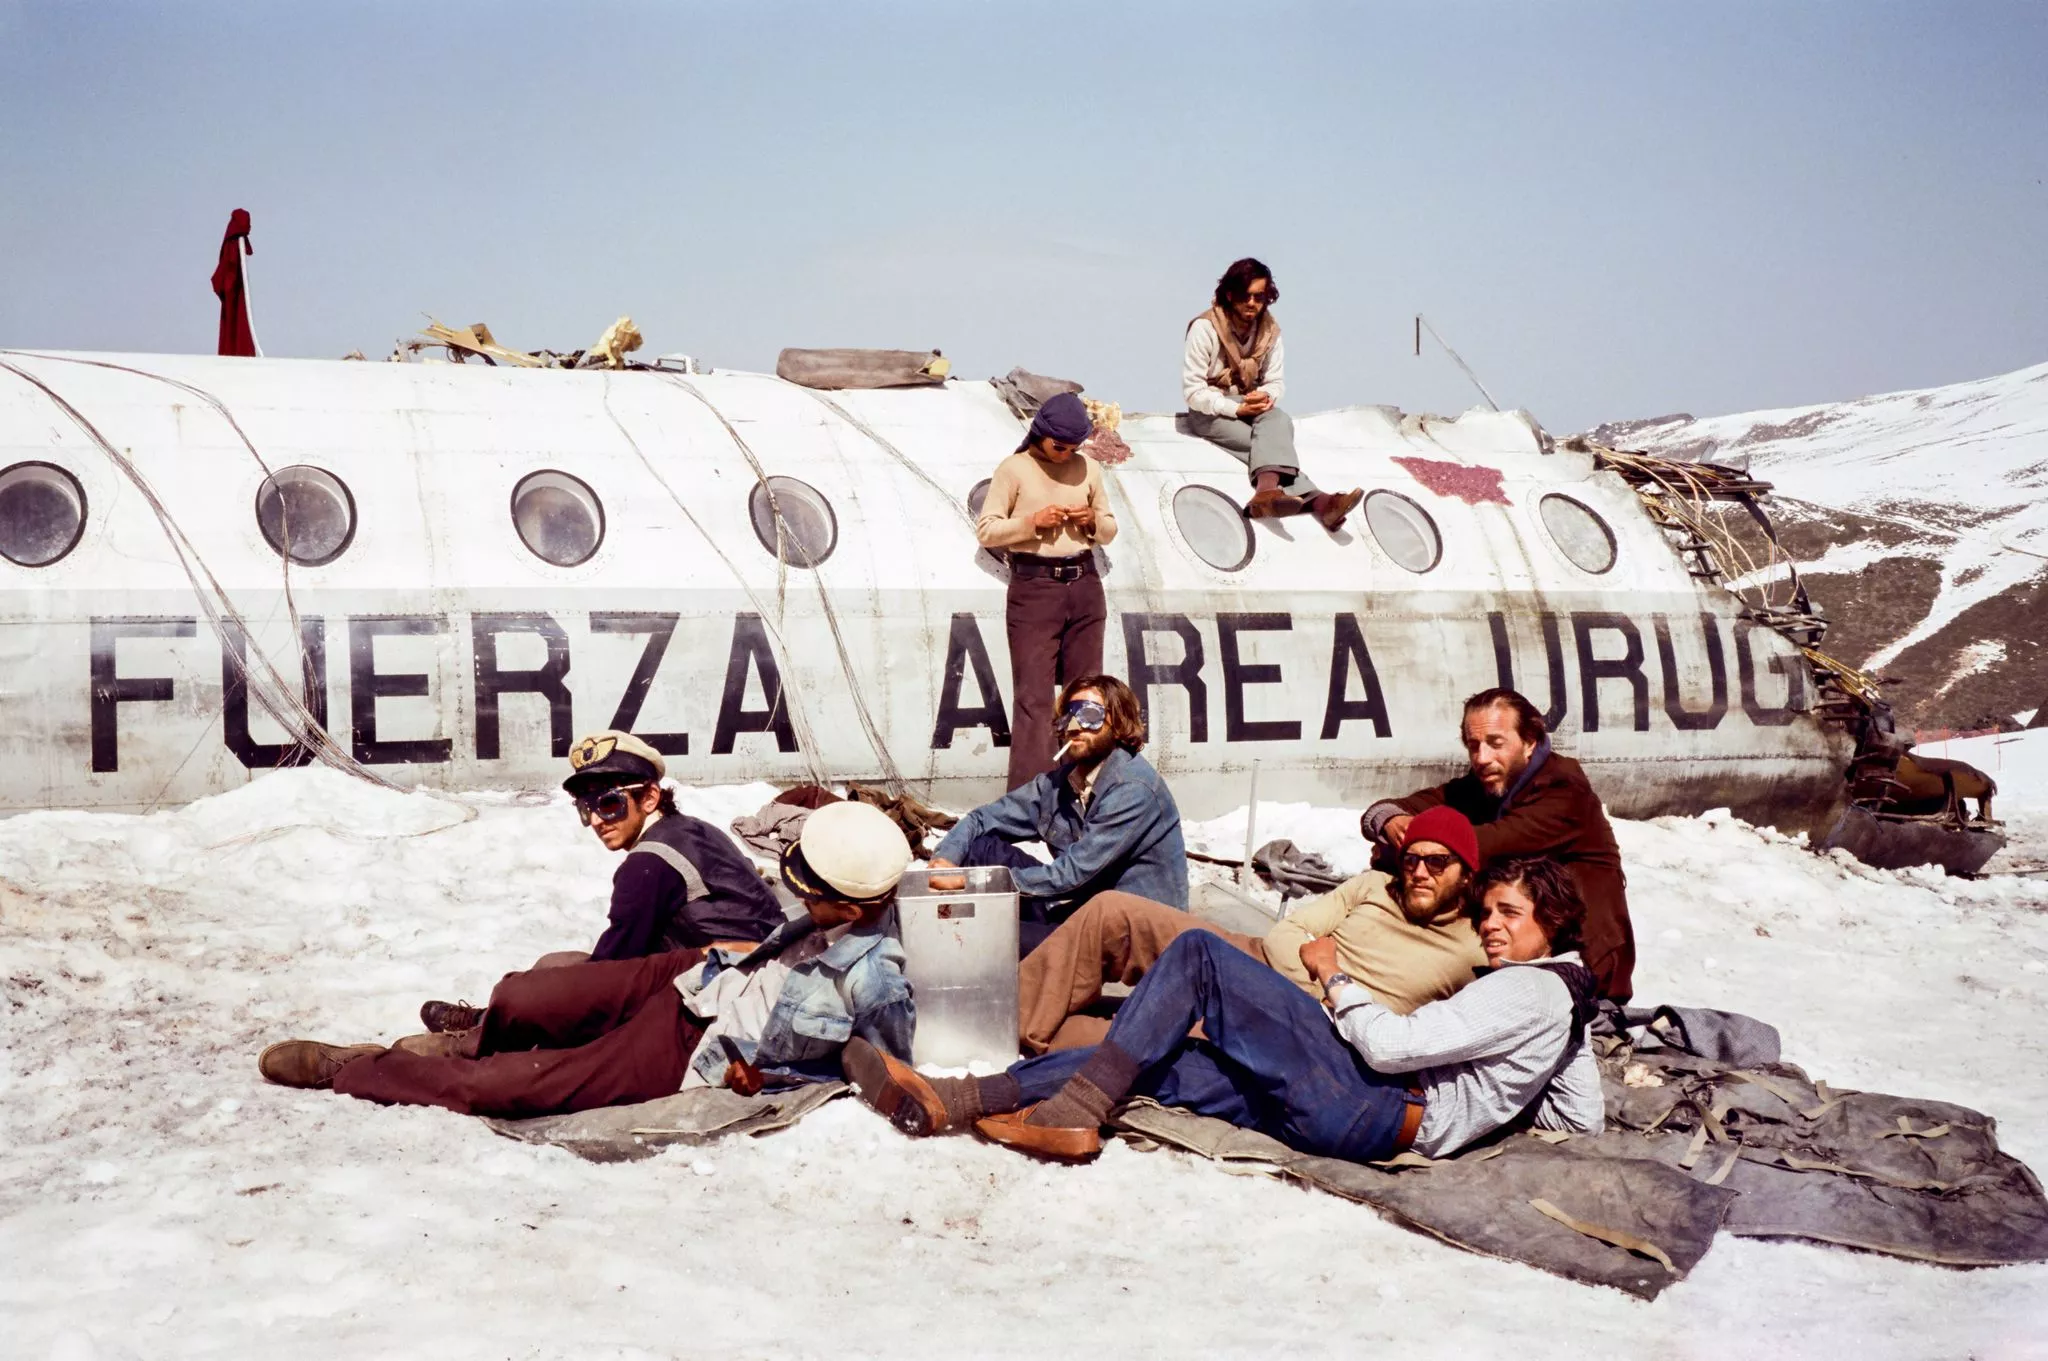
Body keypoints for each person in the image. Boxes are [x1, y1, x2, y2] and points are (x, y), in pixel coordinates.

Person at [842, 855, 1603, 1165]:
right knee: (1164, 1061)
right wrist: (1497, 1109)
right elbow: (1582, 1120)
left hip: (1373, 1092)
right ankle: (961, 1098)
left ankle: (1073, 1108)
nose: (1493, 925)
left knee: (1203, 958)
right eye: (1493, 911)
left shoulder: (1527, 987)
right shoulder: (1560, 1002)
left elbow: (1397, 1047)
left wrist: (1336, 980)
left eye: (1510, 913)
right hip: (1358, 1122)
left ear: (1554, 925)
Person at [255, 802, 917, 1118]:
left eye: (808, 887)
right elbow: (782, 952)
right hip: (699, 972)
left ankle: (358, 1066)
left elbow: (870, 1066)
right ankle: (470, 1040)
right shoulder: (842, 902)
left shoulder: (878, 978)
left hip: (697, 1043)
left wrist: (768, 1079)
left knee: (511, 1088)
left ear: (850, 904)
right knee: (523, 994)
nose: (794, 889)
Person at [1013, 805, 1489, 1054]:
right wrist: (1320, 980)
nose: (1421, 871)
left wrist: (1323, 989)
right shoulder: (1373, 886)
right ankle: (1004, 1030)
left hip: (1296, 1024)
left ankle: (1039, 1040)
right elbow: (1288, 933)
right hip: (1257, 958)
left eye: (1438, 861)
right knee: (1113, 911)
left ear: (1466, 873)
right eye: (1413, 859)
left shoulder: (1478, 945)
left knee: (1102, 1040)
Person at [415, 731, 787, 1024]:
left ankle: (486, 1026)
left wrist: (538, 995)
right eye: (585, 807)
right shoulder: (692, 829)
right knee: (554, 964)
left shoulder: (648, 863)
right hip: (755, 976)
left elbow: (611, 969)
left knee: (551, 981)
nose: (595, 820)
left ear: (650, 797)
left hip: (722, 994)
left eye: (609, 803)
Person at [1360, 688, 1636, 1002]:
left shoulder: (1565, 792)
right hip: (1515, 948)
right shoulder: (1488, 782)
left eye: (1495, 743)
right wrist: (1389, 820)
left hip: (1581, 967)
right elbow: (1390, 808)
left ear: (1530, 741)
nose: (1482, 758)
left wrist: (1404, 848)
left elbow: (1483, 844)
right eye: (1473, 745)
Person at [929, 674, 1185, 956]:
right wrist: (946, 861)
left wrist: (974, 884)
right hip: (1082, 907)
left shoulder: (1133, 789)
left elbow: (1072, 875)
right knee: (980, 848)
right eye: (1068, 717)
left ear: (1119, 721)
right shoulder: (1060, 784)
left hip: (1134, 934)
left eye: (1089, 715)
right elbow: (982, 820)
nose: (1074, 726)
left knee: (991, 934)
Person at [976, 390, 1120, 790]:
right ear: (1040, 434)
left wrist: (1092, 520)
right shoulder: (1014, 469)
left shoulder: (1088, 468)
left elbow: (1109, 529)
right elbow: (987, 529)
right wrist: (1032, 522)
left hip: (1085, 584)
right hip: (1035, 586)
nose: (1065, 453)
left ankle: (1089, 790)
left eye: (1074, 446)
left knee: (1088, 697)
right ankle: (1031, 800)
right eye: (1059, 445)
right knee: (1034, 701)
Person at [1182, 257, 1361, 531]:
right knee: (1268, 449)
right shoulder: (1204, 328)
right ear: (1230, 295)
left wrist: (1262, 396)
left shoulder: (1270, 332)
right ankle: (1321, 503)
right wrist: (1235, 409)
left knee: (1279, 420)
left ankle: (1266, 494)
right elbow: (1193, 392)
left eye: (1260, 296)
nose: (1252, 303)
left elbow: (1275, 381)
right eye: (1246, 296)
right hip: (1211, 411)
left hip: (1250, 405)